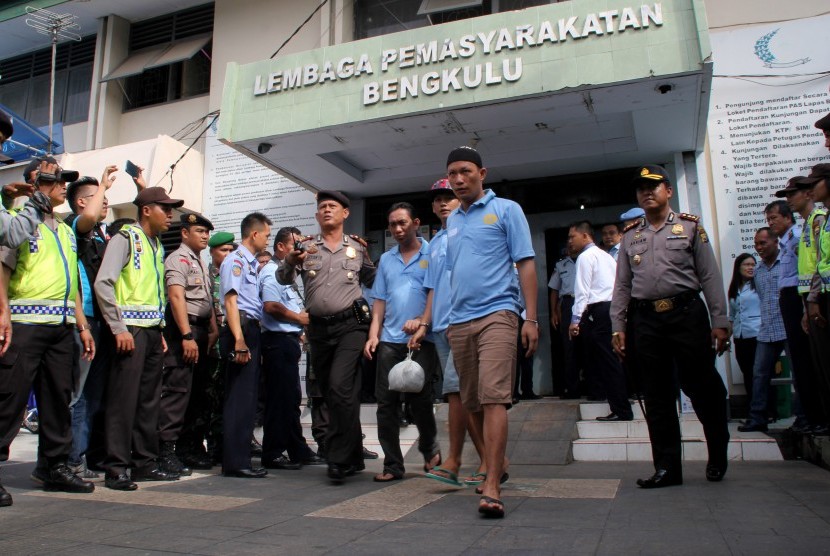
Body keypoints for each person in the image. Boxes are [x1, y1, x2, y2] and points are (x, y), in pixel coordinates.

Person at [610, 164, 730, 489]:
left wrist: (720, 320)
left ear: (668, 190)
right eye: (641, 188)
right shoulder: (631, 236)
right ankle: (666, 468)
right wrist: (618, 326)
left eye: (653, 186)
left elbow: (709, 276)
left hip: (687, 314)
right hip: (646, 320)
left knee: (701, 385)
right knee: (657, 395)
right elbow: (622, 286)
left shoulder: (690, 229)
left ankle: (718, 451)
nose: (647, 192)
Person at [442, 146, 538, 518]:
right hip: (460, 320)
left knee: (495, 397)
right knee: (471, 402)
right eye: (452, 174)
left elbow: (525, 263)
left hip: (499, 312)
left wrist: (530, 318)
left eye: (465, 171)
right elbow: (455, 273)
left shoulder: (506, 210)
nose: (459, 179)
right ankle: (495, 462)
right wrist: (450, 320)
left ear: (483, 173)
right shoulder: (452, 221)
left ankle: (493, 484)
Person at [0, 161, 96, 507]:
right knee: (9, 398)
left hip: (61, 326)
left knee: (58, 399)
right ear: (33, 183)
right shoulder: (17, 217)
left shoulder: (66, 229)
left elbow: (72, 283)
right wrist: (3, 312)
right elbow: (3, 265)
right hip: (24, 322)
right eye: (54, 181)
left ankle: (54, 465)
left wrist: (82, 325)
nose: (61, 187)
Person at [281, 190, 376, 484]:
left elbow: (374, 280)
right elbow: (283, 279)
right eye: (321, 207)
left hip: (351, 327)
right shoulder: (306, 248)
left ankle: (337, 459)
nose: (326, 211)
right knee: (332, 393)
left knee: (339, 386)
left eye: (332, 206)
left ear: (345, 213)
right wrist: (289, 261)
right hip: (319, 330)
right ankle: (353, 455)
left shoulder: (358, 248)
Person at [95, 186, 183, 491]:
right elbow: (104, 283)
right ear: (146, 210)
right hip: (128, 332)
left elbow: (154, 291)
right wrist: (118, 328)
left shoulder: (157, 245)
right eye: (165, 208)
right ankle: (116, 467)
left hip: (151, 332)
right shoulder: (126, 238)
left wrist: (159, 329)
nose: (170, 214)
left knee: (148, 401)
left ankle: (144, 463)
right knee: (123, 401)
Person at [412, 178, 486, 488]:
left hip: (462, 324)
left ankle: (470, 461)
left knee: (460, 394)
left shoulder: (468, 232)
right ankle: (487, 461)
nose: (443, 203)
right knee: (461, 396)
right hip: (440, 328)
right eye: (437, 199)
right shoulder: (435, 242)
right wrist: (424, 324)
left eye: (449, 197)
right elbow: (432, 289)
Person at [364, 202, 440, 482]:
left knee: (420, 399)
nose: (397, 229)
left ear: (416, 223)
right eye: (392, 224)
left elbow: (436, 293)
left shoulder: (432, 253)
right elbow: (379, 302)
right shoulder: (386, 259)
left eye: (402, 223)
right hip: (390, 340)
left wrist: (422, 321)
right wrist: (374, 334)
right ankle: (393, 465)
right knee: (387, 404)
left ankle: (430, 449)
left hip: (423, 339)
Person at [258, 227, 324, 469]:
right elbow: (271, 306)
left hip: (288, 342)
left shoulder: (289, 274)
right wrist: (299, 319)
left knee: (290, 399)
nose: (300, 250)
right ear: (280, 248)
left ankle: (297, 449)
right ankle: (273, 453)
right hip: (276, 342)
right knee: (279, 400)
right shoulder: (272, 271)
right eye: (294, 245)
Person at [158, 213, 217, 477]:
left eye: (206, 232)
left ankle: (187, 447)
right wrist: (186, 336)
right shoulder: (177, 259)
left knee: (196, 394)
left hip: (202, 330)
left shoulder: (201, 262)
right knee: (177, 392)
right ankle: (164, 451)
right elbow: (176, 296)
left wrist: (213, 327)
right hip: (185, 330)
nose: (205, 235)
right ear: (184, 233)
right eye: (199, 230)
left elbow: (205, 300)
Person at [177, 231, 237, 469]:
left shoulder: (233, 273)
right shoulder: (206, 273)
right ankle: (199, 446)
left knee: (224, 398)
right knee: (204, 398)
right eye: (224, 250)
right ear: (212, 252)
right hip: (211, 347)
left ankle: (221, 445)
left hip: (230, 344)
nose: (229, 254)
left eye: (232, 250)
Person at [765, 198, 825, 433]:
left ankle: (814, 416)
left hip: (798, 297)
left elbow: (808, 270)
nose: (771, 223)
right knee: (799, 362)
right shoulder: (784, 241)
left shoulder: (798, 237)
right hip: (790, 297)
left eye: (774, 218)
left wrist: (806, 303)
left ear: (788, 218)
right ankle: (807, 416)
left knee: (805, 359)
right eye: (768, 219)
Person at [219, 212, 272, 478]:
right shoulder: (236, 261)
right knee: (239, 398)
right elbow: (231, 301)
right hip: (240, 330)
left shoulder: (250, 264)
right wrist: (239, 340)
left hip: (250, 330)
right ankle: (236, 462)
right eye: (266, 235)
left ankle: (240, 459)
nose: (267, 240)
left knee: (248, 398)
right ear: (254, 234)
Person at [568, 221, 632, 422]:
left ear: (585, 236)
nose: (570, 242)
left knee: (607, 361)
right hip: (613, 309)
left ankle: (621, 409)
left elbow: (582, 291)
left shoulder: (586, 257)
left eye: (572, 237)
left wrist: (575, 320)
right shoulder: (605, 256)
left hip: (600, 311)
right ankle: (620, 405)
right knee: (612, 359)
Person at [738, 229, 787, 432]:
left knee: (800, 373)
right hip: (766, 330)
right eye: (756, 244)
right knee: (759, 374)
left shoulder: (785, 264)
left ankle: (805, 417)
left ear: (776, 242)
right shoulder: (757, 271)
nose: (759, 248)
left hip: (786, 327)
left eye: (763, 243)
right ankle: (758, 417)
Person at [803, 164, 830, 407]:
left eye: (815, 183)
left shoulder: (819, 218)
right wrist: (813, 299)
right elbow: (821, 262)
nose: (811, 189)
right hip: (823, 296)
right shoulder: (825, 219)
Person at [727, 253, 761, 413]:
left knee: (759, 373)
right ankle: (752, 409)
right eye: (747, 265)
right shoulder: (734, 288)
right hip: (740, 336)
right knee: (747, 373)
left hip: (757, 333)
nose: (750, 268)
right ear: (738, 267)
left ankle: (765, 410)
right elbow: (732, 315)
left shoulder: (758, 284)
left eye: (753, 265)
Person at [549, 246, 582, 399]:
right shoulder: (561, 265)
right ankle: (572, 389)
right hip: (567, 304)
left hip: (587, 303)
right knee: (569, 348)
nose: (571, 246)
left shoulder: (588, 258)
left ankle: (597, 388)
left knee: (590, 345)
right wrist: (554, 312)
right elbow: (554, 290)